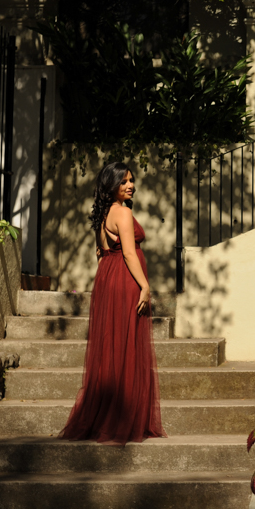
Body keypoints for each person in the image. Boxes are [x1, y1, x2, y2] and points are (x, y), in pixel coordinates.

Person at [59, 162, 165, 445]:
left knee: (112, 346)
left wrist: (110, 280)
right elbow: (129, 253)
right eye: (123, 182)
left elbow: (100, 252)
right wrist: (144, 286)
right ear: (111, 186)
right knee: (127, 346)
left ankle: (108, 415)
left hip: (108, 278)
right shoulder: (123, 212)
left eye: (131, 180)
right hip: (126, 280)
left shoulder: (103, 213)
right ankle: (123, 420)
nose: (130, 185)